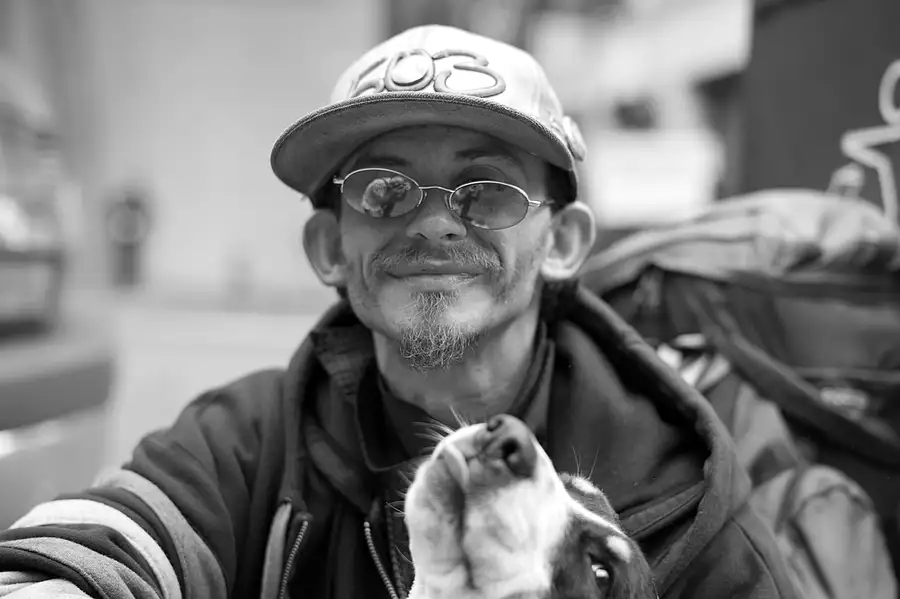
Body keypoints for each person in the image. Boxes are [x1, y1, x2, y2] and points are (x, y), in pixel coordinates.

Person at [0, 24, 798, 599]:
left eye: (486, 188)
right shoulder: (246, 446)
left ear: (562, 242)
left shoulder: (685, 506)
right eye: (385, 191)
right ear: (329, 248)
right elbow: (98, 547)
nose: (435, 221)